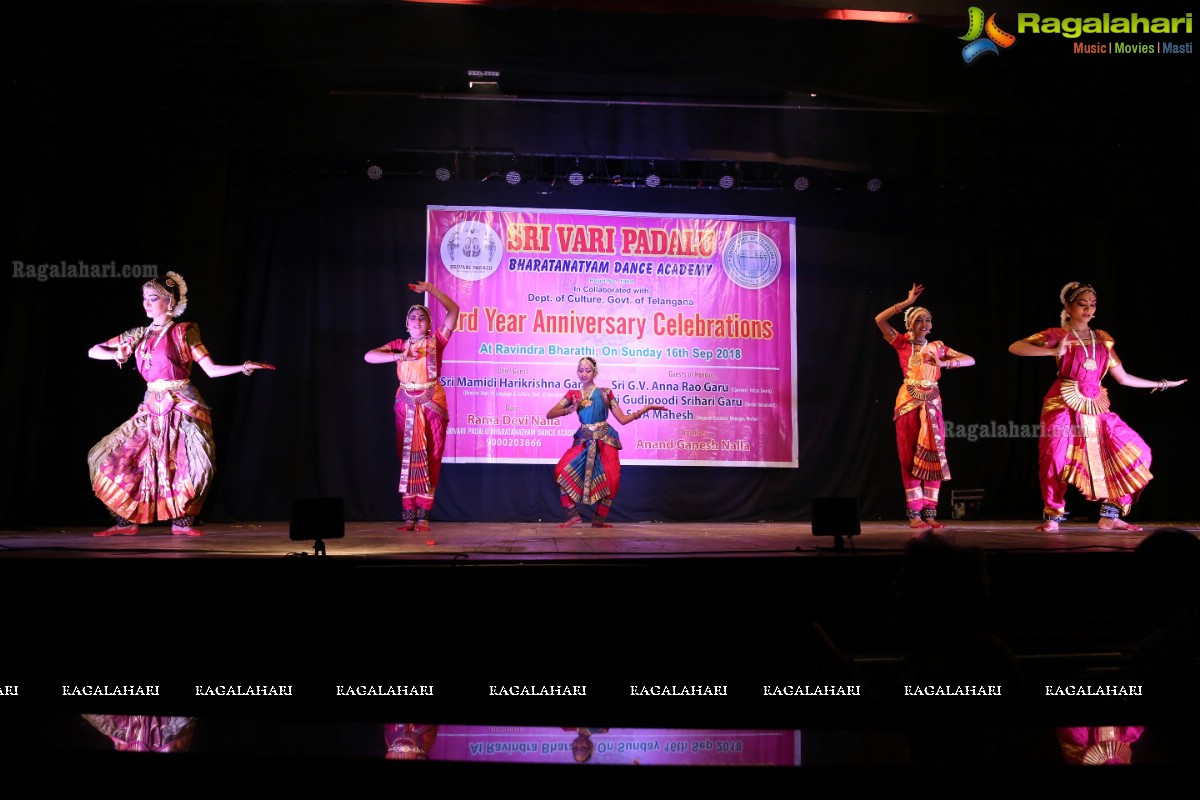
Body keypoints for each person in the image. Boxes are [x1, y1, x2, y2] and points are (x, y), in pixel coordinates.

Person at [88, 272, 275, 537]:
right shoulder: (137, 334)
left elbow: (210, 369)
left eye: (153, 299)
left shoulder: (183, 331)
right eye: (144, 299)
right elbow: (93, 350)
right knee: (112, 455)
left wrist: (243, 367)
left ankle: (183, 521)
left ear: (170, 301)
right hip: (151, 405)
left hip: (182, 404)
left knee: (196, 463)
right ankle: (126, 521)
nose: (147, 304)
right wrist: (117, 352)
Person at [1008, 282, 1186, 532]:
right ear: (1068, 307)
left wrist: (1161, 383)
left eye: (1092, 305)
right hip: (1062, 402)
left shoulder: (1104, 339)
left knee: (1139, 452)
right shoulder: (1057, 335)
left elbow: (1123, 378)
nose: (1089, 309)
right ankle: (1053, 516)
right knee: (1055, 460)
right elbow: (1015, 347)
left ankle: (1111, 514)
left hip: (1096, 407)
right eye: (1082, 304)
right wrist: (1053, 352)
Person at [875, 284, 975, 529]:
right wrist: (906, 303)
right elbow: (880, 319)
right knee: (908, 457)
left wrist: (944, 363)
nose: (925, 325)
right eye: (919, 320)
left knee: (934, 455)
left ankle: (930, 512)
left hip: (932, 405)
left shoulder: (938, 347)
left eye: (928, 321)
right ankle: (914, 514)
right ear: (910, 323)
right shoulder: (901, 344)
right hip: (908, 403)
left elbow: (970, 359)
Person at [364, 281, 459, 533]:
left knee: (431, 458)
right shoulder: (398, 345)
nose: (417, 321)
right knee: (407, 457)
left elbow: (454, 311)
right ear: (406, 324)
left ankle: (424, 515)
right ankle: (408, 515)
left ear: (428, 324)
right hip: (405, 403)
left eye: (422, 318)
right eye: (413, 318)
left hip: (432, 403)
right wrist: (398, 356)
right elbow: (369, 356)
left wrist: (431, 291)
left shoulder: (436, 342)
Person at [546, 357, 666, 528]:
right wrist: (570, 409)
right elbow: (550, 414)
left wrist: (646, 409)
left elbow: (623, 419)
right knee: (560, 471)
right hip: (584, 440)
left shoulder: (605, 393)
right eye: (580, 370)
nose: (583, 374)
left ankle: (598, 520)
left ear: (595, 371)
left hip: (605, 440)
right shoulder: (573, 394)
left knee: (612, 480)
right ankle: (574, 516)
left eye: (588, 370)